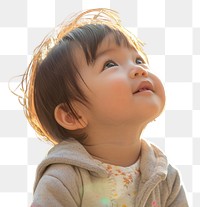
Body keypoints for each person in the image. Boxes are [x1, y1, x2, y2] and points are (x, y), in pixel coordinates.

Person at [17, 8, 188, 207]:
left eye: (138, 59)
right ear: (72, 115)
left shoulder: (164, 176)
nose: (139, 69)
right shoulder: (64, 178)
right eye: (110, 64)